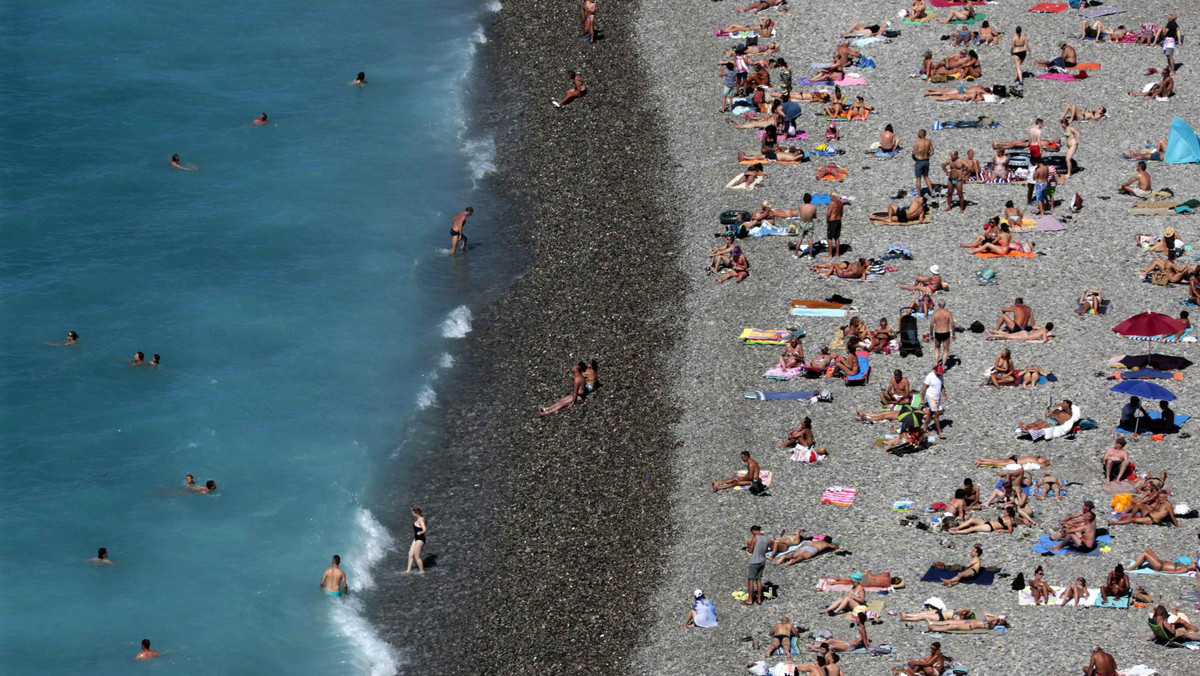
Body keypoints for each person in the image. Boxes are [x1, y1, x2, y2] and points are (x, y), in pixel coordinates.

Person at [746, 525, 772, 605]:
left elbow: (750, 550)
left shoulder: (755, 538)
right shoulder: (766, 538)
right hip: (763, 560)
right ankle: (759, 599)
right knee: (759, 580)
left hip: (755, 561)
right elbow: (769, 547)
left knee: (751, 580)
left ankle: (750, 600)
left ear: (753, 531)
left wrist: (749, 545)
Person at [948, 506, 1015, 534]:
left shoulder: (1009, 521)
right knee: (972, 519)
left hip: (990, 527)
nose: (1004, 512)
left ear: (1008, 513)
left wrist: (1000, 530)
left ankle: (956, 532)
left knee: (973, 528)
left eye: (1005, 511)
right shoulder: (1004, 516)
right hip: (988, 523)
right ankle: (957, 528)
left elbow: (1010, 530)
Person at [929, 300, 954, 368]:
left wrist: (931, 334)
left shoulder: (935, 313)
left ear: (938, 305)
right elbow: (952, 324)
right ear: (945, 305)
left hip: (938, 332)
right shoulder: (948, 313)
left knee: (937, 348)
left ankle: (936, 363)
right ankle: (942, 366)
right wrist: (953, 334)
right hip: (946, 332)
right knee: (946, 349)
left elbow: (931, 325)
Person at [1131, 548, 1198, 573]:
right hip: (1161, 562)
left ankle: (1131, 568)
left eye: (1194, 564)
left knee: (1145, 554)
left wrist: (1162, 571)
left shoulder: (1185, 569)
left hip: (1160, 566)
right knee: (1147, 550)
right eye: (1195, 563)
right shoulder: (1184, 564)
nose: (1193, 565)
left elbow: (1174, 573)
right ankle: (1140, 565)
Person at [926, 613, 1007, 631]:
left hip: (969, 626)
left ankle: (933, 628)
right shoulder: (992, 621)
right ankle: (932, 623)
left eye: (999, 621)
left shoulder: (992, 626)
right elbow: (985, 613)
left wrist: (994, 618)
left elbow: (988, 618)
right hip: (968, 621)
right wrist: (994, 615)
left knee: (951, 626)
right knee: (950, 621)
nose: (998, 621)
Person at [406, 506, 427, 574]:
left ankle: (422, 571)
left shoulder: (421, 519)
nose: (412, 514)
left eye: (413, 513)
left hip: (420, 539)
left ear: (417, 513)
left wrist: (420, 532)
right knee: (410, 554)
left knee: (416, 555)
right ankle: (408, 570)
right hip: (416, 538)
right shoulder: (418, 519)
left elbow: (424, 529)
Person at [825, 190, 843, 258]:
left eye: (830, 195)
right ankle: (837, 254)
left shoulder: (832, 203)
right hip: (838, 220)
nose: (830, 196)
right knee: (837, 237)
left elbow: (829, 213)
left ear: (833, 196)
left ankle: (830, 255)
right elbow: (841, 213)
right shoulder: (840, 203)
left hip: (832, 221)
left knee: (830, 238)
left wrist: (827, 220)